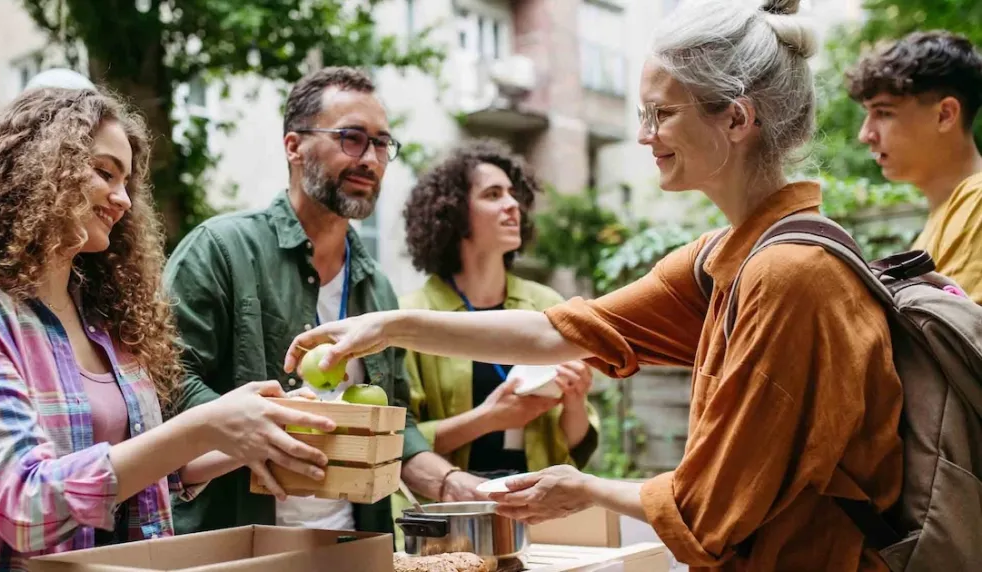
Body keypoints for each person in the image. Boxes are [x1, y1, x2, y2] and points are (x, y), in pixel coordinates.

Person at [285, 1, 904, 570]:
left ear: (736, 118)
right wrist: (387, 326)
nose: (644, 135)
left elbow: (710, 507)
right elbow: (561, 331)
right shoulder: (727, 257)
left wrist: (581, 489)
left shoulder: (789, 275)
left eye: (661, 114)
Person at [0, 87, 335, 572]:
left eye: (127, 182)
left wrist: (250, 433)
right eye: (104, 173)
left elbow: (136, 478)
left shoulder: (107, 323)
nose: (123, 199)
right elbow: (26, 505)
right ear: (38, 171)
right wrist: (205, 424)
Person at [163, 66, 484, 538]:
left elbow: (396, 423)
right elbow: (168, 380)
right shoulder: (220, 249)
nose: (371, 159)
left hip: (350, 543)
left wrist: (454, 484)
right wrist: (259, 432)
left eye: (381, 144)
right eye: (351, 138)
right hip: (238, 541)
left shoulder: (377, 288)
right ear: (294, 146)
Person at [397, 139, 599, 488]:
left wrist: (576, 401)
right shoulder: (413, 316)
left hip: (538, 507)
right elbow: (401, 440)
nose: (512, 205)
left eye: (512, 194)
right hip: (450, 513)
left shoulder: (547, 305)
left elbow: (577, 444)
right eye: (493, 195)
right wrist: (487, 419)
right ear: (454, 212)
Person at [849, 30, 982, 303]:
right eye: (868, 113)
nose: (866, 134)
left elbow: (956, 341)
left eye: (884, 113)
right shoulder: (943, 218)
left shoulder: (978, 203)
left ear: (945, 115)